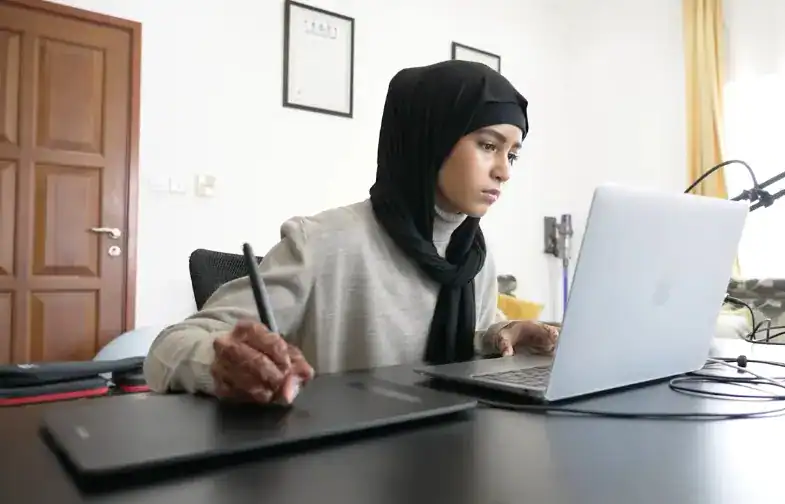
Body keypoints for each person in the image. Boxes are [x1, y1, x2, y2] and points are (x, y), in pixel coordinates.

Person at [143, 60, 559, 405]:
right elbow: (170, 346)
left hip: (448, 458)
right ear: (430, 138)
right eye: (488, 146)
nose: (504, 171)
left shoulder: (472, 257)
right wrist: (219, 363)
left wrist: (498, 337)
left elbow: (446, 349)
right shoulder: (322, 243)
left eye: (512, 155)